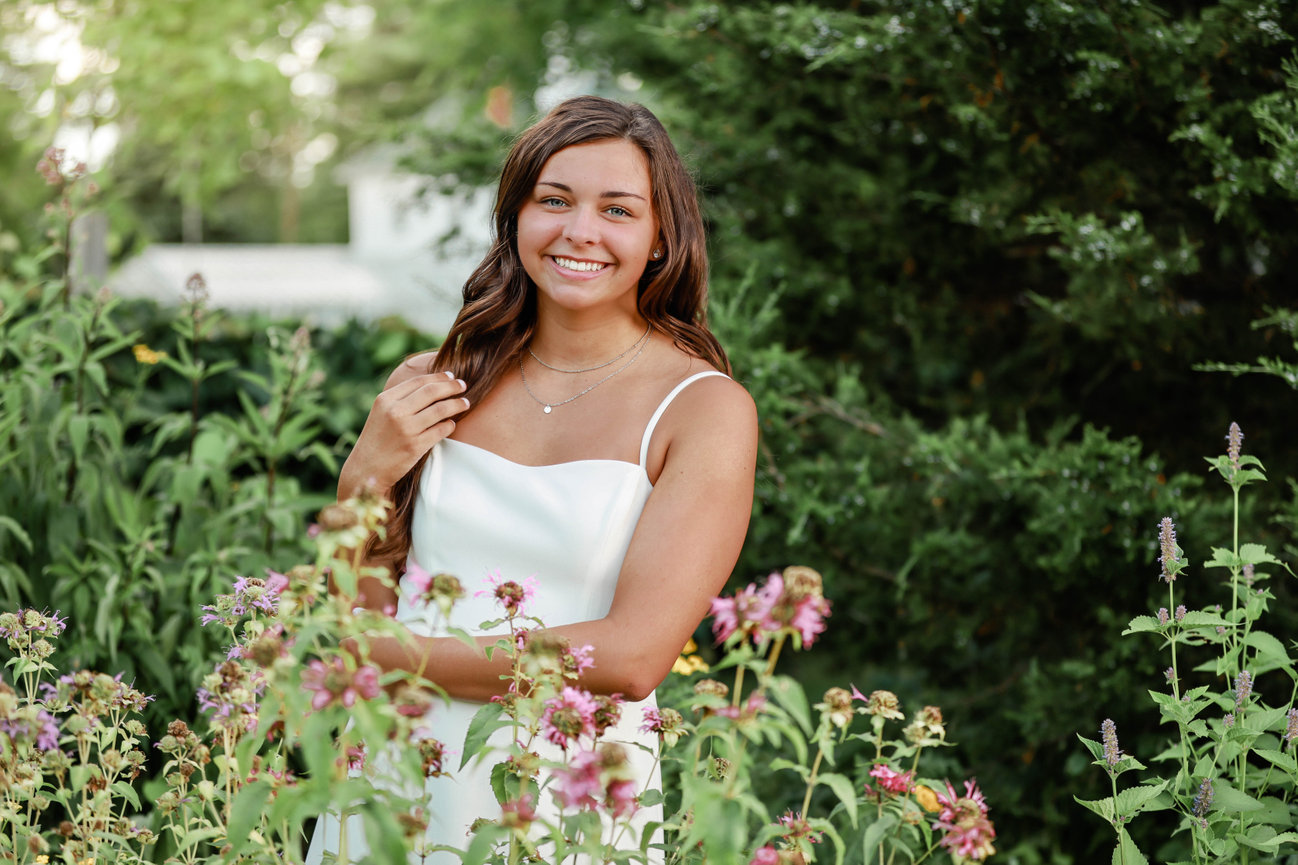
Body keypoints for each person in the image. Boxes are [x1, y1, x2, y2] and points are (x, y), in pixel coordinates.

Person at [306, 95, 757, 863]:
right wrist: (362, 480)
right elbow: (366, 606)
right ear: (516, 217)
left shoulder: (704, 410)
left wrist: (401, 659)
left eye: (617, 209)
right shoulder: (433, 381)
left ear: (659, 239)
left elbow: (632, 656)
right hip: (393, 777)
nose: (580, 231)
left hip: (567, 789)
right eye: (554, 200)